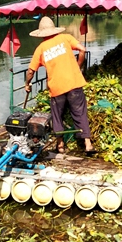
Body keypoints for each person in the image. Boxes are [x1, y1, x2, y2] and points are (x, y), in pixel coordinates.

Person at [25, 16, 95, 154]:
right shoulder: (66, 38)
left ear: (41, 34)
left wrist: (27, 84)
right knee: (80, 113)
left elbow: (30, 71)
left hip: (57, 88)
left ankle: (60, 145)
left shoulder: (41, 48)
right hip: (74, 83)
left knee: (57, 116)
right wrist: (78, 66)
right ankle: (88, 144)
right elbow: (82, 49)